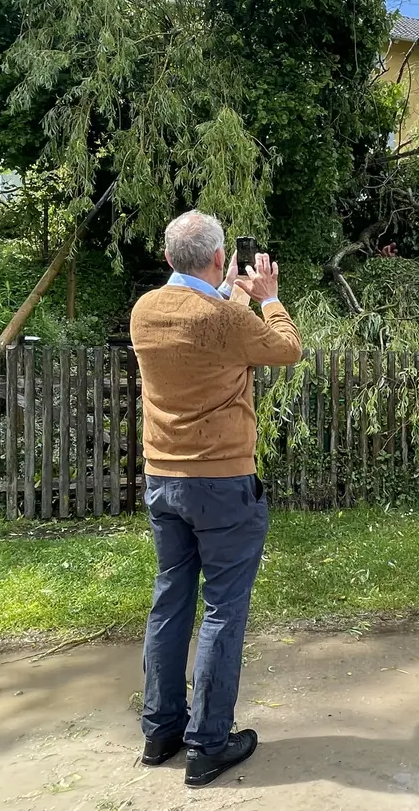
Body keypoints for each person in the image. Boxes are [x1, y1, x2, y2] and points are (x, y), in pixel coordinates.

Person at [129, 210, 302, 788]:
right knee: (224, 609)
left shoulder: (146, 311)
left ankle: (161, 732)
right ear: (214, 257)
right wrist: (268, 297)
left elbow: (202, 322)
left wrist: (227, 286)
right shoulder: (229, 318)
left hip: (163, 479)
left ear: (169, 257)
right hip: (223, 483)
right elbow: (285, 349)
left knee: (171, 601)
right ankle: (208, 744)